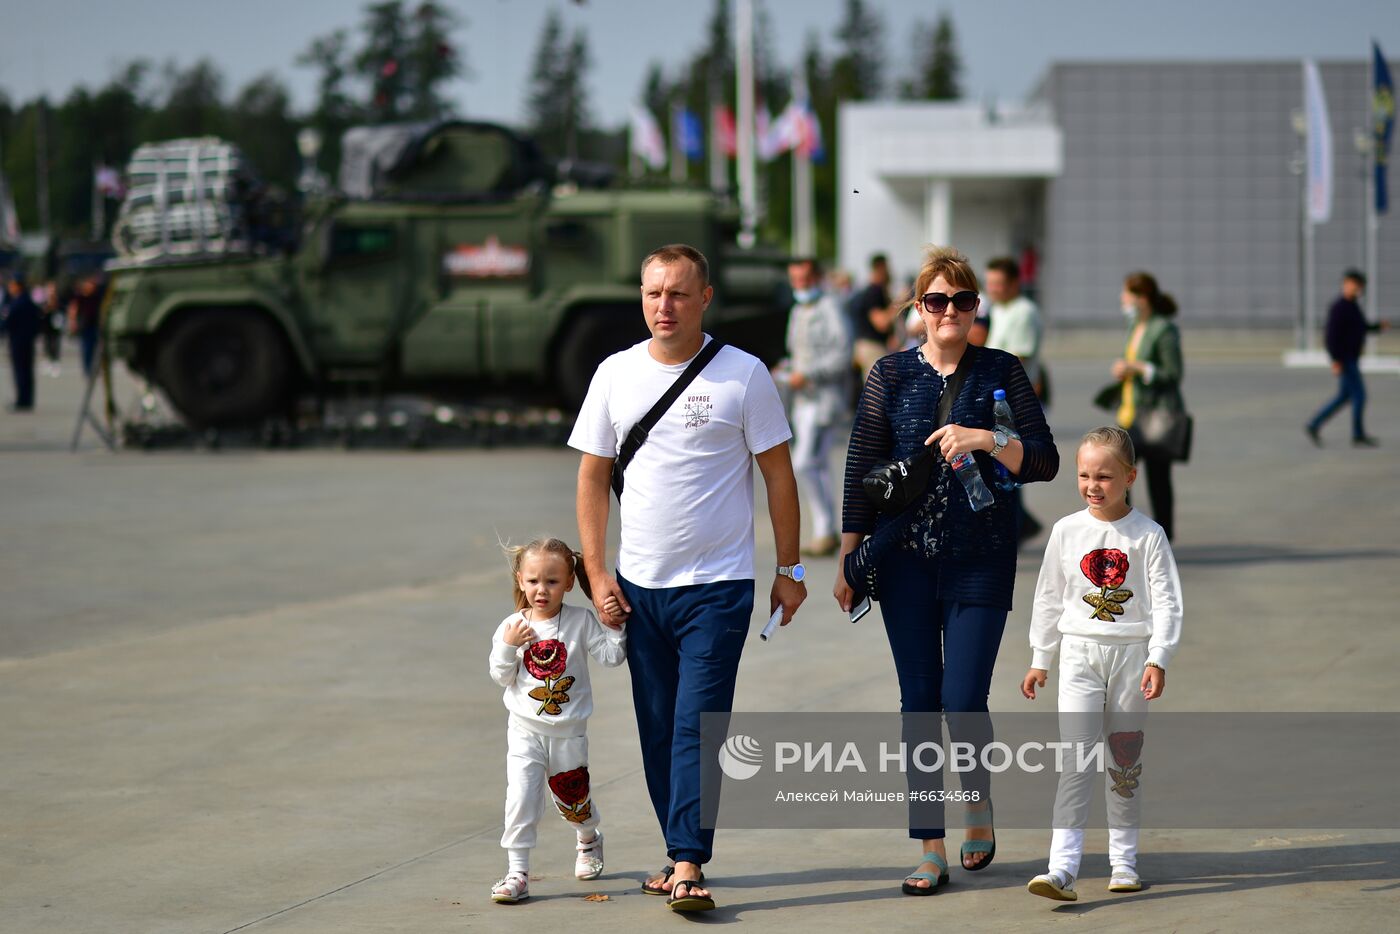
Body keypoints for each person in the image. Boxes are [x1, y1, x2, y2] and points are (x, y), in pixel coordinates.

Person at [570, 243, 804, 913]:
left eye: (677, 293)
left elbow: (778, 474)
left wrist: (788, 569)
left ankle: (688, 863)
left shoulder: (743, 375)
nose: (663, 305)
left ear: (706, 298)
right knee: (656, 727)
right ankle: (677, 848)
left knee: (698, 723)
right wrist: (595, 573)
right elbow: (591, 477)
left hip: (718, 586)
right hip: (638, 589)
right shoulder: (614, 374)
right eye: (652, 293)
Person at [835, 245, 1059, 894]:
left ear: (975, 307)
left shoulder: (1002, 371)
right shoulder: (890, 374)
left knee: (962, 700)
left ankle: (978, 805)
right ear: (918, 308)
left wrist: (987, 439)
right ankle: (928, 845)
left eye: (961, 300)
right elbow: (862, 469)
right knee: (919, 704)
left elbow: (1042, 459)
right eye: (936, 301)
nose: (949, 311)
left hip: (981, 555)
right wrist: (852, 555)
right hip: (903, 559)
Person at [1022, 426, 1182, 901]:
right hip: (1078, 656)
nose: (1094, 485)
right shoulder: (1066, 532)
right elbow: (1049, 597)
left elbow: (1167, 602)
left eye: (1106, 477)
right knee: (1075, 760)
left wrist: (1159, 657)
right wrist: (1040, 657)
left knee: (1123, 763)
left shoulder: (1149, 535)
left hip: (1132, 659)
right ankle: (1061, 868)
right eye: (1085, 475)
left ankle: (1124, 863)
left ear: (1130, 476)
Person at [488, 537, 627, 905]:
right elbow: (501, 676)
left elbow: (612, 657)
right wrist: (507, 646)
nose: (541, 590)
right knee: (520, 798)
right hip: (524, 732)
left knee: (573, 799)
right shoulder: (512, 626)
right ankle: (517, 872)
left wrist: (612, 625)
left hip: (569, 733)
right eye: (533, 581)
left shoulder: (580, 621)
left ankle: (588, 839)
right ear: (520, 580)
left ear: (568, 582)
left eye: (551, 581)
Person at [779, 257, 852, 557]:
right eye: (795, 280)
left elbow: (843, 355)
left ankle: (826, 530)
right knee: (815, 464)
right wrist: (786, 369)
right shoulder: (798, 310)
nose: (801, 285)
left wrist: (808, 374)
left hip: (824, 401)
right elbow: (795, 352)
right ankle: (825, 529)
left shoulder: (831, 308)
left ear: (818, 277)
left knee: (805, 462)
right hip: (802, 400)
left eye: (806, 279)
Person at [1109, 272, 1184, 542]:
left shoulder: (1163, 328)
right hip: (1131, 412)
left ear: (1142, 298)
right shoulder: (1135, 326)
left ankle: (1164, 536)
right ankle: (1124, 530)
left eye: (1127, 293)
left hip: (1156, 414)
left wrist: (1138, 368)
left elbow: (1173, 374)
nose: (1123, 299)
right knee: (1120, 472)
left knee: (1158, 478)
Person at [983, 256, 1046, 541]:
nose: (992, 289)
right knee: (1001, 462)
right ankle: (1022, 522)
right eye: (990, 283)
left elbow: (1018, 357)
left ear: (1014, 283)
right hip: (996, 398)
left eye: (998, 284)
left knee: (1010, 462)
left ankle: (1015, 526)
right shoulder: (999, 309)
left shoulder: (1024, 312)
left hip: (1013, 400)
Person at [1306, 269, 1389, 447]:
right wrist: (1336, 360)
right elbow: (1331, 337)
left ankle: (1314, 424)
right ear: (1345, 284)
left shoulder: (1352, 306)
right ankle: (1357, 434)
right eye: (1352, 284)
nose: (1355, 288)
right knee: (1359, 396)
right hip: (1345, 359)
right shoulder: (1339, 307)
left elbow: (1361, 328)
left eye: (1358, 285)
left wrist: (1377, 327)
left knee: (1344, 396)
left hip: (1351, 358)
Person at [849, 253, 899, 380]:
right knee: (877, 391)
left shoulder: (868, 291)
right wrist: (899, 304)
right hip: (872, 347)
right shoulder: (874, 291)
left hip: (867, 346)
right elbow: (881, 323)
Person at [4, 273, 41, 411]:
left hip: (19, 341)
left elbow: (9, 321)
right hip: (26, 341)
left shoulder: (19, 302)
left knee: (21, 371)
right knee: (26, 371)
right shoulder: (27, 301)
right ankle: (27, 399)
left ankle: (22, 401)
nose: (10, 288)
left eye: (12, 285)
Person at [69, 275, 104, 378]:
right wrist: (73, 322)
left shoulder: (96, 296)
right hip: (85, 325)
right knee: (86, 348)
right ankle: (87, 369)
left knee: (94, 348)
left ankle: (92, 368)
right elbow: (73, 309)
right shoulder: (81, 296)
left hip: (95, 325)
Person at [40, 281, 64, 377]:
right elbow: (42, 312)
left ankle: (55, 363)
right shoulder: (45, 301)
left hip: (56, 326)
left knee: (55, 344)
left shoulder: (58, 300)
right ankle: (48, 361)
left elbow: (62, 310)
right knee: (47, 344)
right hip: (47, 327)